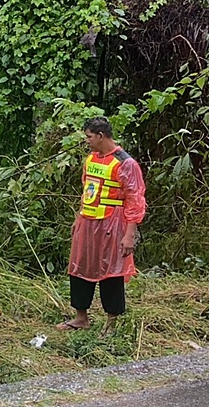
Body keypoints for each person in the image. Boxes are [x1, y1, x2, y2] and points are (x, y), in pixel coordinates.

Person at [56, 116, 147, 334]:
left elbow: (135, 199)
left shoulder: (125, 163)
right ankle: (81, 317)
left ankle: (111, 323)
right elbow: (87, 190)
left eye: (89, 137)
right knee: (79, 267)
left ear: (100, 136)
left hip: (112, 223)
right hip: (87, 221)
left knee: (111, 271)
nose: (86, 141)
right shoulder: (91, 159)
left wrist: (129, 234)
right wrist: (78, 218)